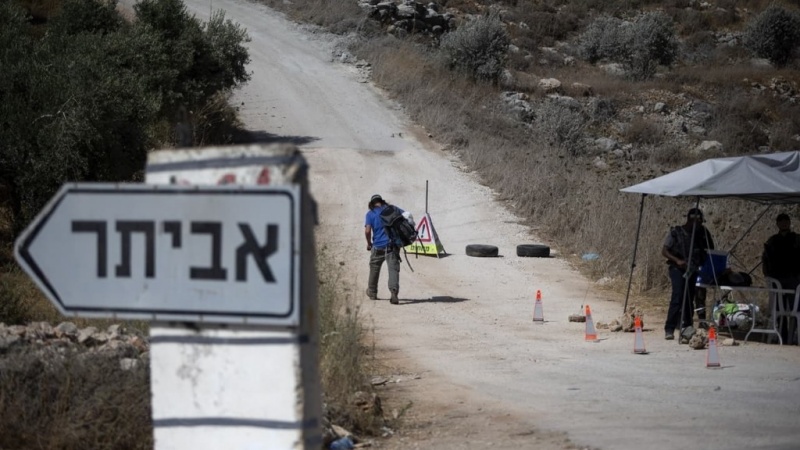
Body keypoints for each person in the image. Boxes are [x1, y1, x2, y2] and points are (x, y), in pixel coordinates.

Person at [662, 207, 715, 342]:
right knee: (678, 296)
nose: (698, 225)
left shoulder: (701, 233)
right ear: (690, 220)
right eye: (696, 222)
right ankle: (669, 328)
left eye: (700, 222)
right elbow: (665, 250)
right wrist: (677, 260)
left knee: (689, 298)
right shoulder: (676, 232)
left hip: (693, 269)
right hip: (677, 268)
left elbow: (710, 249)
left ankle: (687, 326)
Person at [364, 194, 403, 304]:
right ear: (382, 201)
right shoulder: (393, 209)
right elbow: (406, 215)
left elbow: (367, 231)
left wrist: (369, 243)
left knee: (374, 268)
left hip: (377, 246)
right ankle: (394, 292)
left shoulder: (370, 214)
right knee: (393, 269)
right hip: (392, 245)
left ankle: (372, 292)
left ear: (371, 204)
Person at [762, 213, 800, 291]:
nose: (784, 224)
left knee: (794, 301)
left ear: (789, 223)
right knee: (777, 302)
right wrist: (767, 275)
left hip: (793, 277)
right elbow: (765, 258)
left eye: (786, 221)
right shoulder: (772, 240)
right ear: (777, 224)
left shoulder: (797, 239)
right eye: (781, 221)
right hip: (777, 277)